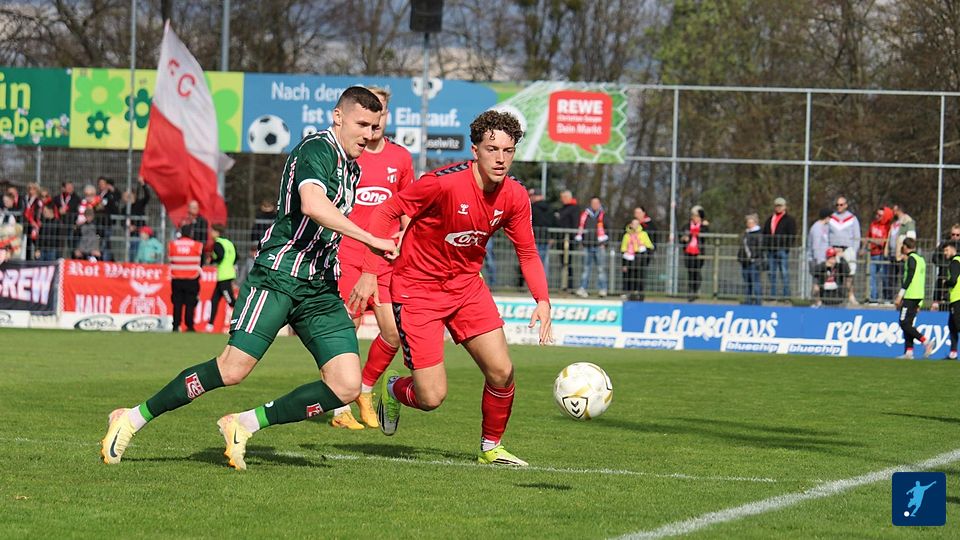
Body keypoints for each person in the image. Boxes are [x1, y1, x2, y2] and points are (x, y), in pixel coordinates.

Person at [100, 86, 395, 470]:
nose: (369, 134)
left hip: (319, 286)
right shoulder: (316, 149)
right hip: (279, 276)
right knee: (232, 369)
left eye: (374, 126)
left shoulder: (352, 168)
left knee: (346, 385)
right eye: (362, 124)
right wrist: (371, 239)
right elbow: (312, 204)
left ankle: (243, 424)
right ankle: (132, 417)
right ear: (338, 117)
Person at [357, 109, 553, 466]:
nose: (500, 158)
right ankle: (395, 389)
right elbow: (385, 212)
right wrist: (371, 271)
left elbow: (527, 252)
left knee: (502, 371)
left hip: (466, 288)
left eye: (508, 150)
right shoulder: (442, 184)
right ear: (475, 150)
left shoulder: (515, 195)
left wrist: (542, 300)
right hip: (417, 291)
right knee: (431, 398)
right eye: (492, 149)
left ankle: (491, 447)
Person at [329, 85, 414, 430]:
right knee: (345, 331)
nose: (375, 123)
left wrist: (408, 237)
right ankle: (340, 408)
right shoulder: (347, 153)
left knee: (393, 334)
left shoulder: (401, 158)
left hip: (385, 260)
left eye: (381, 113)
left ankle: (363, 390)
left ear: (386, 116)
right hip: (348, 254)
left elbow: (409, 208)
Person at [894, 238, 934, 359]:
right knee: (909, 324)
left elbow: (909, 278)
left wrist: (900, 295)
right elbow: (921, 280)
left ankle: (925, 341)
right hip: (918, 296)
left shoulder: (911, 259)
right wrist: (920, 303)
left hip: (910, 295)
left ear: (905, 247)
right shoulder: (921, 259)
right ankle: (909, 352)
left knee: (903, 323)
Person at [761, 197, 797, 299]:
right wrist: (766, 246)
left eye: (780, 206)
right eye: (777, 206)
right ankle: (773, 295)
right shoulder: (770, 219)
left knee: (784, 273)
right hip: (771, 250)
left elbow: (792, 234)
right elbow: (765, 233)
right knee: (771, 273)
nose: (778, 208)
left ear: (785, 207)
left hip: (782, 250)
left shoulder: (789, 220)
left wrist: (786, 246)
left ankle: (786, 295)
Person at [828, 196, 861, 305]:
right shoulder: (832, 218)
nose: (839, 206)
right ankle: (837, 297)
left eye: (841, 204)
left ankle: (850, 295)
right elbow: (828, 234)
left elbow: (857, 236)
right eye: (837, 204)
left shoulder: (852, 218)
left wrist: (854, 251)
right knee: (835, 274)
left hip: (848, 250)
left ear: (846, 205)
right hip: (834, 250)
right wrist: (830, 249)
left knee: (849, 274)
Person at [168, 229, 203, 332]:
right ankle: (189, 325)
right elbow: (201, 260)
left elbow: (170, 259)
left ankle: (176, 325)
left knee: (177, 303)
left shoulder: (173, 244)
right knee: (190, 303)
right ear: (191, 233)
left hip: (176, 278)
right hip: (192, 278)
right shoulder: (197, 245)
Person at [575, 196, 609, 298]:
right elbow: (580, 228)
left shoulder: (604, 216)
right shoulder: (585, 215)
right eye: (593, 203)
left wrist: (605, 243)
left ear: (599, 204)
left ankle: (603, 289)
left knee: (601, 269)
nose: (595, 205)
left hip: (599, 245)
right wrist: (581, 241)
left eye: (596, 203)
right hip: (587, 245)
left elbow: (609, 229)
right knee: (586, 268)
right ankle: (583, 288)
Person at [206, 224, 237, 332]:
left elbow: (220, 255)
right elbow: (236, 257)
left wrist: (212, 260)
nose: (211, 233)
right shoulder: (229, 243)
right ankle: (210, 325)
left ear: (217, 232)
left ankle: (243, 319)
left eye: (212, 231)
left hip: (224, 275)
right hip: (228, 273)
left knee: (231, 301)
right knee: (214, 300)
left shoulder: (218, 243)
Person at [680, 205, 709, 301]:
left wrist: (705, 226)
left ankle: (695, 290)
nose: (695, 218)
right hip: (688, 252)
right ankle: (691, 291)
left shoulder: (703, 227)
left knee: (697, 272)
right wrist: (684, 238)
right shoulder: (686, 226)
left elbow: (706, 235)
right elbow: (681, 235)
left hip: (699, 252)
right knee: (690, 272)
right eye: (694, 216)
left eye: (697, 216)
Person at [620, 218, 653, 301]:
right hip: (629, 259)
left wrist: (644, 249)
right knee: (629, 277)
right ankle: (629, 293)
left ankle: (639, 294)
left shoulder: (643, 234)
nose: (635, 226)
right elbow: (623, 249)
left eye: (637, 224)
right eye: (633, 224)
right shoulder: (627, 235)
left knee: (640, 277)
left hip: (640, 258)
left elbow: (649, 246)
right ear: (630, 225)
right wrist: (624, 264)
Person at [866, 206, 893, 303]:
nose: (877, 216)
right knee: (872, 277)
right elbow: (868, 237)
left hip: (883, 255)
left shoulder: (888, 227)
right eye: (876, 214)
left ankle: (887, 298)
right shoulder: (873, 224)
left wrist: (873, 241)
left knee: (884, 277)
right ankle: (874, 298)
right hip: (873, 254)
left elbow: (883, 242)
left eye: (880, 215)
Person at [529, 188, 555, 283]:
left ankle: (534, 282)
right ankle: (543, 283)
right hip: (546, 237)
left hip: (534, 238)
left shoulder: (532, 208)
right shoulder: (549, 208)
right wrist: (552, 236)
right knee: (544, 262)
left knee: (533, 262)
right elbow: (554, 222)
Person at [556, 190, 580, 292]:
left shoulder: (574, 209)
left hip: (568, 240)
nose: (562, 199)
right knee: (563, 263)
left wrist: (574, 237)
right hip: (561, 239)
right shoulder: (563, 208)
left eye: (563, 197)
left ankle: (569, 285)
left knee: (568, 263)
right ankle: (564, 284)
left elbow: (575, 223)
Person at [738, 213, 763, 305]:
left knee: (755, 281)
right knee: (747, 282)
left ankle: (758, 301)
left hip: (754, 261)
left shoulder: (758, 233)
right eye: (747, 222)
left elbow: (760, 247)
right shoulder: (746, 233)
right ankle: (748, 300)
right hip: (745, 261)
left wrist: (753, 256)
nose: (748, 224)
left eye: (750, 222)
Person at [940, 241, 960, 359]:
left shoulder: (955, 262)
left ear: (953, 249)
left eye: (946, 250)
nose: (945, 253)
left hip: (957, 299)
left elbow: (953, 281)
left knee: (957, 325)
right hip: (955, 297)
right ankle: (953, 353)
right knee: (952, 326)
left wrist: (945, 282)